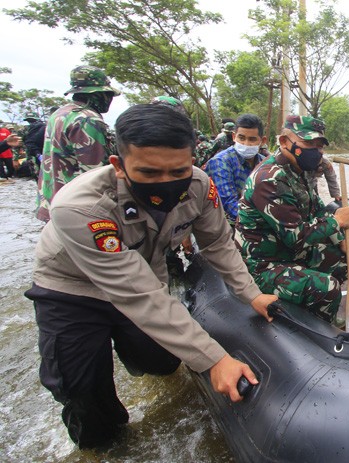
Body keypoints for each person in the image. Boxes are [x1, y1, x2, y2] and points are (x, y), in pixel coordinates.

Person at [24, 104, 279, 448]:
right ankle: (103, 448)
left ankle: (131, 355)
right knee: (81, 389)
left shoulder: (200, 185)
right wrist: (215, 359)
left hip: (145, 273)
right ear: (118, 166)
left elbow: (218, 243)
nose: (166, 184)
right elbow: (137, 294)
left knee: (161, 362)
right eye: (149, 173)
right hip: (73, 288)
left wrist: (251, 294)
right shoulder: (80, 206)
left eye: (178, 170)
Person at [235, 115, 349, 323]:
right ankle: (317, 328)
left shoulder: (297, 171)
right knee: (327, 287)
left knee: (342, 259)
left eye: (319, 145)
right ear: (284, 142)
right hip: (262, 264)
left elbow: (317, 209)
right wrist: (337, 221)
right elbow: (295, 236)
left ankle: (315, 311)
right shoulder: (270, 178)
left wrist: (342, 241)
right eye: (308, 143)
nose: (316, 151)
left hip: (287, 253)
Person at [36, 65, 120, 222]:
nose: (109, 100)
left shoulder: (60, 114)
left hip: (52, 200)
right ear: (97, 94)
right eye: (108, 94)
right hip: (76, 206)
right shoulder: (87, 119)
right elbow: (96, 174)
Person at [205, 113, 267, 223]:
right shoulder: (220, 162)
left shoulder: (264, 163)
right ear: (234, 136)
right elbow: (229, 204)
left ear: (262, 141)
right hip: (228, 226)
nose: (246, 144)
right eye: (241, 138)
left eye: (252, 139)